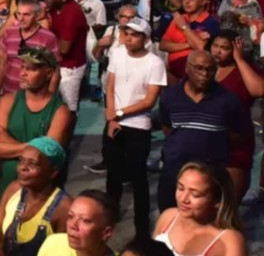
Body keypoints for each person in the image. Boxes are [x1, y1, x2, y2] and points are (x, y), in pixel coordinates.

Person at [157, 50, 253, 211]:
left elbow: (241, 134)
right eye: (199, 68)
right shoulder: (170, 96)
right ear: (188, 69)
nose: (204, 74)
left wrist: (214, 142)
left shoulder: (228, 100)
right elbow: (167, 127)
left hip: (210, 174)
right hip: (174, 170)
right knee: (170, 218)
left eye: (210, 70)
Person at [102, 17, 166, 237]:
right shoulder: (117, 54)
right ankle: (110, 215)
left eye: (135, 34)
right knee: (113, 173)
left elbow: (149, 101)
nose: (128, 38)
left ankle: (141, 228)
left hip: (138, 126)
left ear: (146, 38)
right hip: (114, 123)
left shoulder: (155, 63)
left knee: (138, 177)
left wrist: (119, 114)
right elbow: (110, 85)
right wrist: (111, 118)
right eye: (126, 33)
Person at [0, 46, 73, 189]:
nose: (23, 73)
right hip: (9, 187)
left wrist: (7, 141)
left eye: (31, 69)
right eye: (22, 67)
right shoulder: (8, 101)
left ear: (48, 73)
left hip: (41, 192)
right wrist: (36, 146)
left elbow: (45, 157)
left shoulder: (61, 112)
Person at [0, 138, 71, 256]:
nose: (23, 167)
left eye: (32, 163)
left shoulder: (64, 208)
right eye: (21, 160)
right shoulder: (13, 190)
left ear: (53, 172)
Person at [209, 31, 263, 198]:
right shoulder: (205, 68)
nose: (217, 51)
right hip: (206, 139)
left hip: (236, 140)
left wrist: (239, 60)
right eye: (215, 46)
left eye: (224, 48)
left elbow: (258, 90)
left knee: (231, 200)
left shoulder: (245, 69)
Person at [153, 162, 246, 256]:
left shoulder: (230, 241)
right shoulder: (168, 217)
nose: (183, 199)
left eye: (195, 195)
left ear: (217, 201)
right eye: (180, 188)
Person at [0, 0, 59, 101]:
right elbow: (3, 64)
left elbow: (55, 73)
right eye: (18, 14)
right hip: (9, 95)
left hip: (35, 99)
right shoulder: (9, 33)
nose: (21, 18)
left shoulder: (48, 38)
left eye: (26, 15)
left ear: (37, 15)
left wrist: (48, 101)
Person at [159, 0, 219, 81]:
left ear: (204, 1)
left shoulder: (211, 22)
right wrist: (189, 43)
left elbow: (201, 48)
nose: (186, 2)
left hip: (194, 75)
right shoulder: (179, 18)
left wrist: (183, 26)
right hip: (171, 73)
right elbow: (163, 45)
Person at [47, 0, 90, 113]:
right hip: (57, 64)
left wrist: (45, 42)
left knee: (69, 107)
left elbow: (64, 49)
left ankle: (67, 133)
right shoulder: (55, 7)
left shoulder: (73, 14)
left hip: (71, 67)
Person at [36, 190, 118, 256]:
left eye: (85, 220)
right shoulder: (53, 243)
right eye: (71, 216)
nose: (73, 225)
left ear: (106, 232)